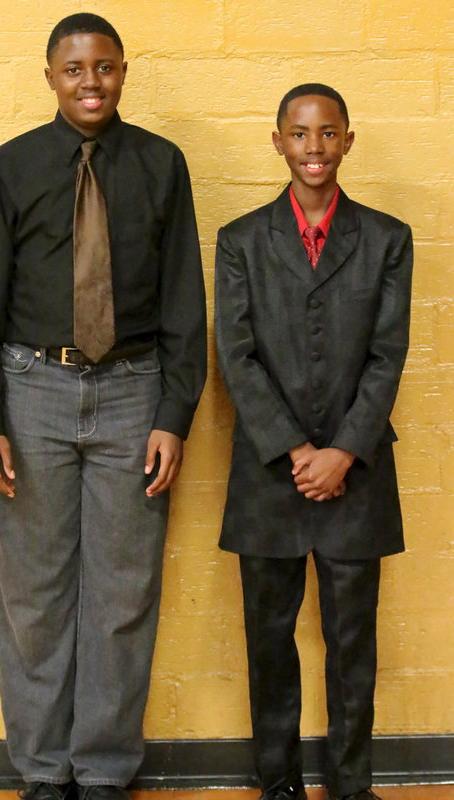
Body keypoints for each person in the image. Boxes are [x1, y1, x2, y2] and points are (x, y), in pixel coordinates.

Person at [0, 13, 206, 800]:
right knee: (32, 595)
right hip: (32, 387)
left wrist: (173, 413)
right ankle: (40, 770)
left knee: (122, 595)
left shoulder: (162, 165)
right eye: (73, 70)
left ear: (124, 72)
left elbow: (182, 303)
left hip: (133, 391)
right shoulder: (13, 166)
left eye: (103, 67)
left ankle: (100, 772)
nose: (90, 82)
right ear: (50, 78)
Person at [215, 84, 413, 800]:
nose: (313, 149)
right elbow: (234, 353)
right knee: (269, 642)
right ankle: (278, 784)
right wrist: (296, 451)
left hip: (354, 470)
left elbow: (386, 353)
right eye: (298, 135)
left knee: (351, 643)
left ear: (347, 141)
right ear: (277, 143)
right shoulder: (240, 240)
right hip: (271, 472)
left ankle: (351, 783)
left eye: (327, 134)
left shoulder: (387, 238)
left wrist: (341, 452)